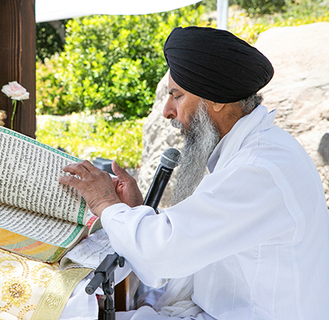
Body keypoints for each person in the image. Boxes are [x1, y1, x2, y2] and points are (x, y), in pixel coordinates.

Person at [59, 26, 329, 320]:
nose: (167, 111)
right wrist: (136, 211)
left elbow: (164, 255)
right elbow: (198, 235)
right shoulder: (256, 150)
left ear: (216, 99)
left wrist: (106, 204)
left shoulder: (260, 169)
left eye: (177, 95)